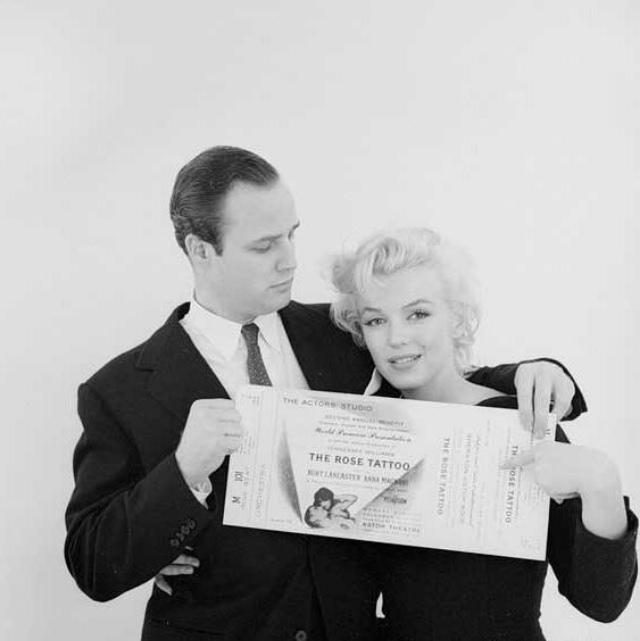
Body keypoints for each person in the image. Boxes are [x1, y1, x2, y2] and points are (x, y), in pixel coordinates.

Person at [65, 146, 587, 641]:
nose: (289, 260)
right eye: (265, 246)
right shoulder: (120, 390)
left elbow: (429, 372)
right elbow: (92, 561)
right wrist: (180, 475)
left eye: (291, 234)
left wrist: (533, 372)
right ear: (201, 250)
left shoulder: (341, 334)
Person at [330, 227, 638, 640]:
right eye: (375, 320)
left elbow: (602, 602)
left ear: (457, 317)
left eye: (418, 313)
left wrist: (601, 481)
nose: (396, 337)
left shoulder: (519, 421)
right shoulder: (362, 430)